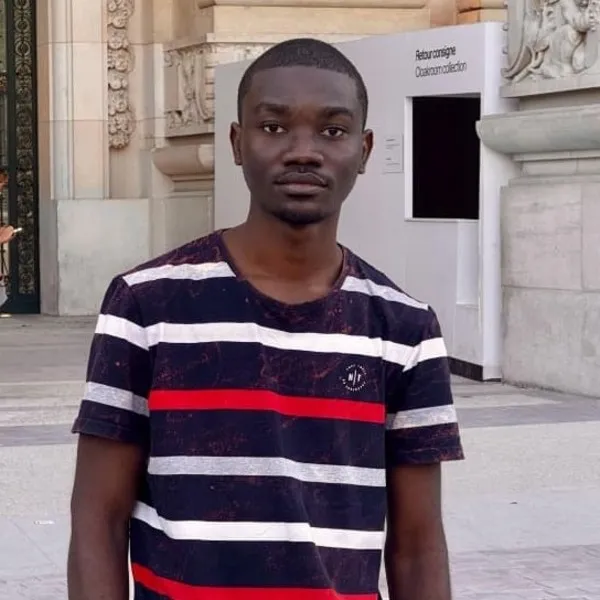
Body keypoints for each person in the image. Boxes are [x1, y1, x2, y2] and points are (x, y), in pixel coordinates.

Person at [68, 38, 464, 600]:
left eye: (332, 130)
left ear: (365, 148)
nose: (303, 151)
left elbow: (418, 546)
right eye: (274, 127)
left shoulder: (405, 330)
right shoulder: (146, 305)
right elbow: (97, 518)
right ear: (236, 142)